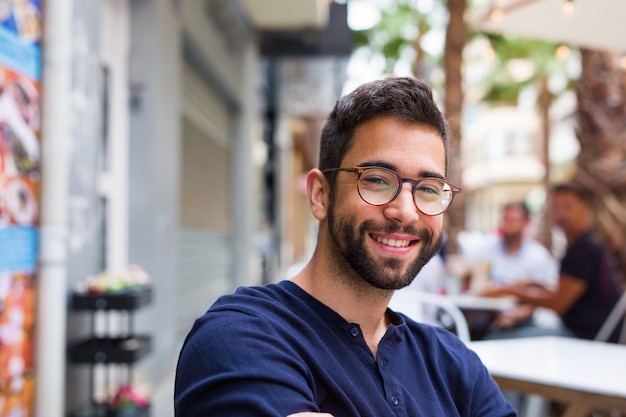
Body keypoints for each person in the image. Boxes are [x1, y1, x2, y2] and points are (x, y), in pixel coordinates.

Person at [174, 77, 517, 417]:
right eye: (378, 180)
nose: (405, 211)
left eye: (428, 188)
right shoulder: (240, 338)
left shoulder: (454, 364)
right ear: (321, 195)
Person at [485, 183, 624, 343]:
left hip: (584, 336)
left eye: (567, 206)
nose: (560, 214)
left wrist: (509, 291)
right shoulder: (582, 245)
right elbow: (567, 293)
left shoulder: (584, 249)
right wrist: (535, 285)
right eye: (555, 207)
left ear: (584, 208)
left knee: (498, 338)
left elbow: (557, 303)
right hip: (582, 332)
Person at [472, 202, 559, 337]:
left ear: (525, 223)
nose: (507, 225)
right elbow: (478, 286)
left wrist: (514, 316)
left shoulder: (537, 256)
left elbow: (540, 298)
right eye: (505, 220)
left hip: (521, 321)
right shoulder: (487, 250)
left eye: (512, 220)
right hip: (485, 316)